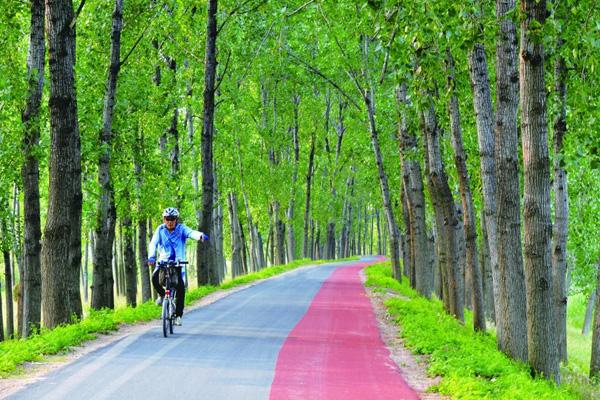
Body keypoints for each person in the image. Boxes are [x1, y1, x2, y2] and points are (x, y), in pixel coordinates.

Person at [147, 207, 207, 326]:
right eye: (167, 219)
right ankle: (162, 295)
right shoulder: (160, 230)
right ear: (164, 219)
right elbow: (153, 243)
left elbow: (191, 233)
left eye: (172, 219)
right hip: (163, 262)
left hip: (178, 263)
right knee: (154, 278)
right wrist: (152, 256)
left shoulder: (181, 229)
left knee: (180, 288)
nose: (170, 221)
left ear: (176, 219)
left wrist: (200, 236)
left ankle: (178, 315)